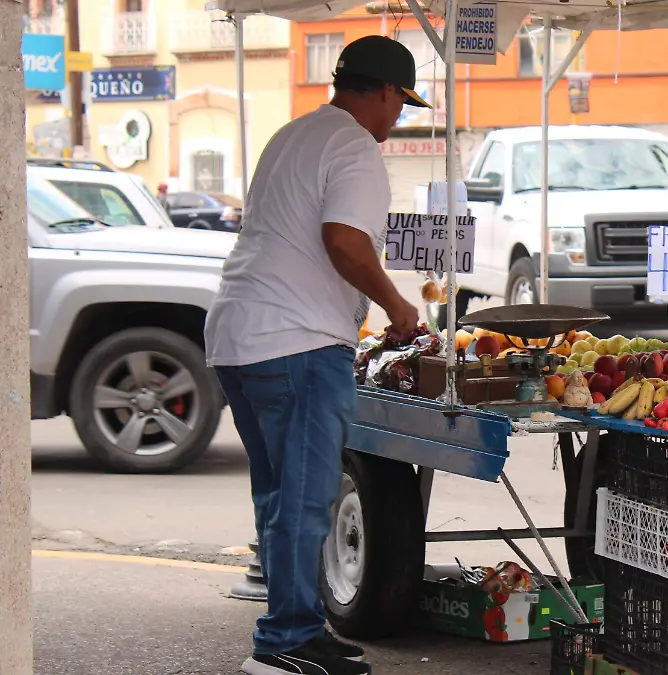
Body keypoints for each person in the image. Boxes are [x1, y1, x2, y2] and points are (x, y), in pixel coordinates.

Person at [204, 35, 428, 675]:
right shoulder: (355, 147)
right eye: (400, 103)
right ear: (384, 92)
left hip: (239, 338)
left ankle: (297, 624)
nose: (398, 118)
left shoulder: (294, 133)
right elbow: (344, 241)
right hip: (296, 344)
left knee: (279, 497)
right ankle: (283, 645)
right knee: (304, 501)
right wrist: (395, 305)